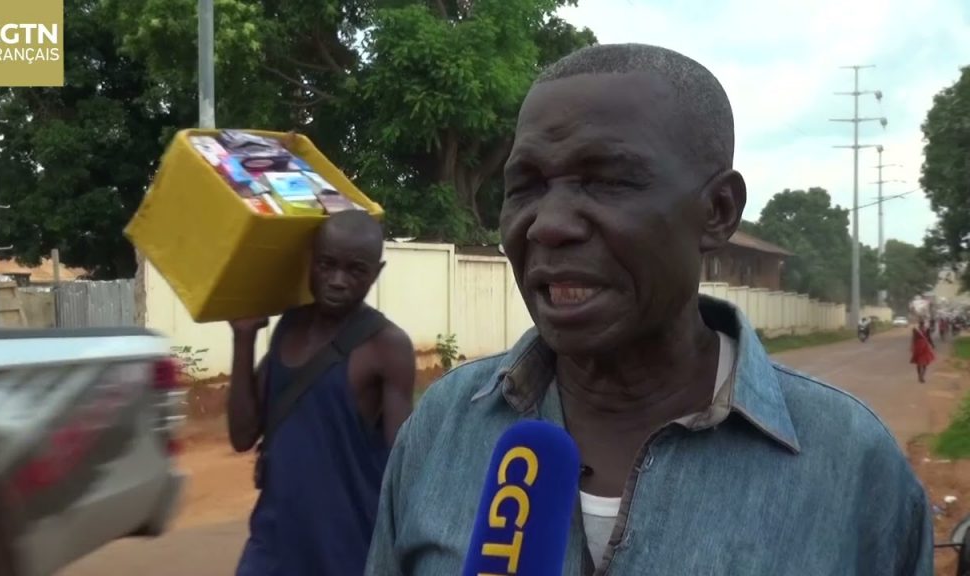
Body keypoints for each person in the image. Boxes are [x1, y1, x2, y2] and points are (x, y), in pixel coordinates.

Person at [365, 43, 932, 575]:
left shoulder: (853, 463)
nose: (549, 224)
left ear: (717, 211)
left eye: (608, 180)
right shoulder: (442, 428)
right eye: (527, 185)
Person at [229, 210, 416, 576]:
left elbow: (403, 471)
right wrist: (244, 336)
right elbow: (242, 435)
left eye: (355, 270)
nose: (337, 281)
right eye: (327, 265)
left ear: (376, 273)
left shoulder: (387, 346)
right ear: (311, 262)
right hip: (271, 549)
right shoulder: (289, 326)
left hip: (347, 552)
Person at [911, 317, 936, 383]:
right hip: (925, 347)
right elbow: (929, 338)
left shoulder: (915, 329)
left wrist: (912, 347)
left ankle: (920, 375)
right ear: (924, 323)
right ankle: (921, 376)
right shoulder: (926, 329)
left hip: (918, 347)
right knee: (925, 362)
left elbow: (914, 339)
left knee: (919, 363)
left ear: (919, 324)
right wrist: (932, 345)